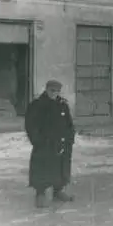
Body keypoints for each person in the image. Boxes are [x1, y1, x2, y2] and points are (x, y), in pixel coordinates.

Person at [25, 80, 76, 208]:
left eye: (57, 91)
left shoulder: (62, 104)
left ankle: (58, 191)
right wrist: (37, 141)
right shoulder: (37, 105)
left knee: (60, 167)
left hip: (61, 143)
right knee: (42, 167)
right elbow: (31, 125)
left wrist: (70, 138)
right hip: (45, 143)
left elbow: (69, 123)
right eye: (52, 91)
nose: (54, 93)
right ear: (46, 89)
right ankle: (40, 193)